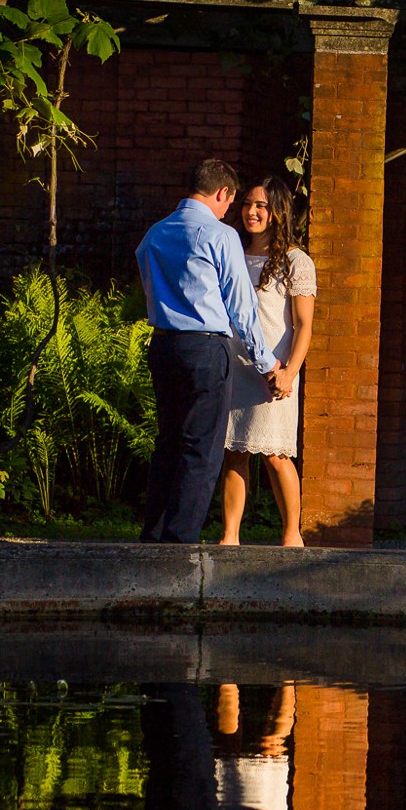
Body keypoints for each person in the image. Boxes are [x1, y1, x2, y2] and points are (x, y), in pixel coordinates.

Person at [136, 159, 287, 543]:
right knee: (201, 449)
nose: (228, 212)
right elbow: (241, 307)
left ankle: (153, 535)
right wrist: (267, 362)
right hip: (204, 349)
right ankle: (179, 542)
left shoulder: (154, 233)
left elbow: (148, 283)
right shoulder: (219, 236)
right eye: (229, 203)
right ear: (223, 193)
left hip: (163, 345)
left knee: (168, 441)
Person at [218, 176, 316, 547]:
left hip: (275, 373)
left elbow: (304, 325)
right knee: (234, 453)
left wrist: (290, 372)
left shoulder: (296, 261)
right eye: (247, 205)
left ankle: (292, 535)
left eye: (261, 206)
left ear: (277, 212)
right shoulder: (232, 253)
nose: (252, 212)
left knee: (275, 455)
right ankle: (229, 536)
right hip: (235, 367)